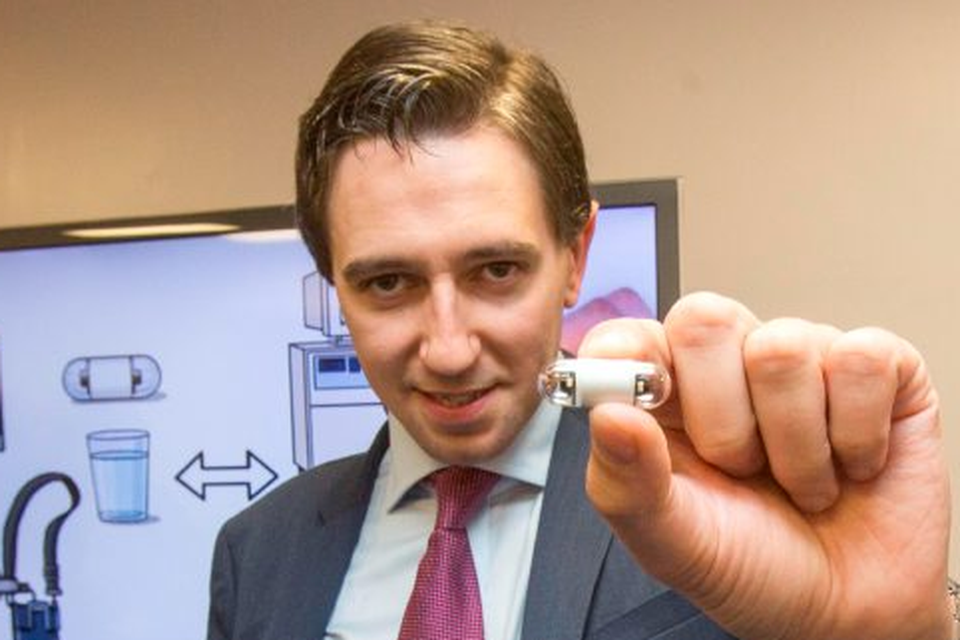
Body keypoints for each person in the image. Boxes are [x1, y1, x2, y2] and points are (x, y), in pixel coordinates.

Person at [207, 20, 954, 640]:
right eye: (387, 284)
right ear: (333, 283)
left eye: (495, 270)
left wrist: (910, 631)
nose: (448, 348)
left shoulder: (713, 500)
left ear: (576, 256)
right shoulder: (260, 553)